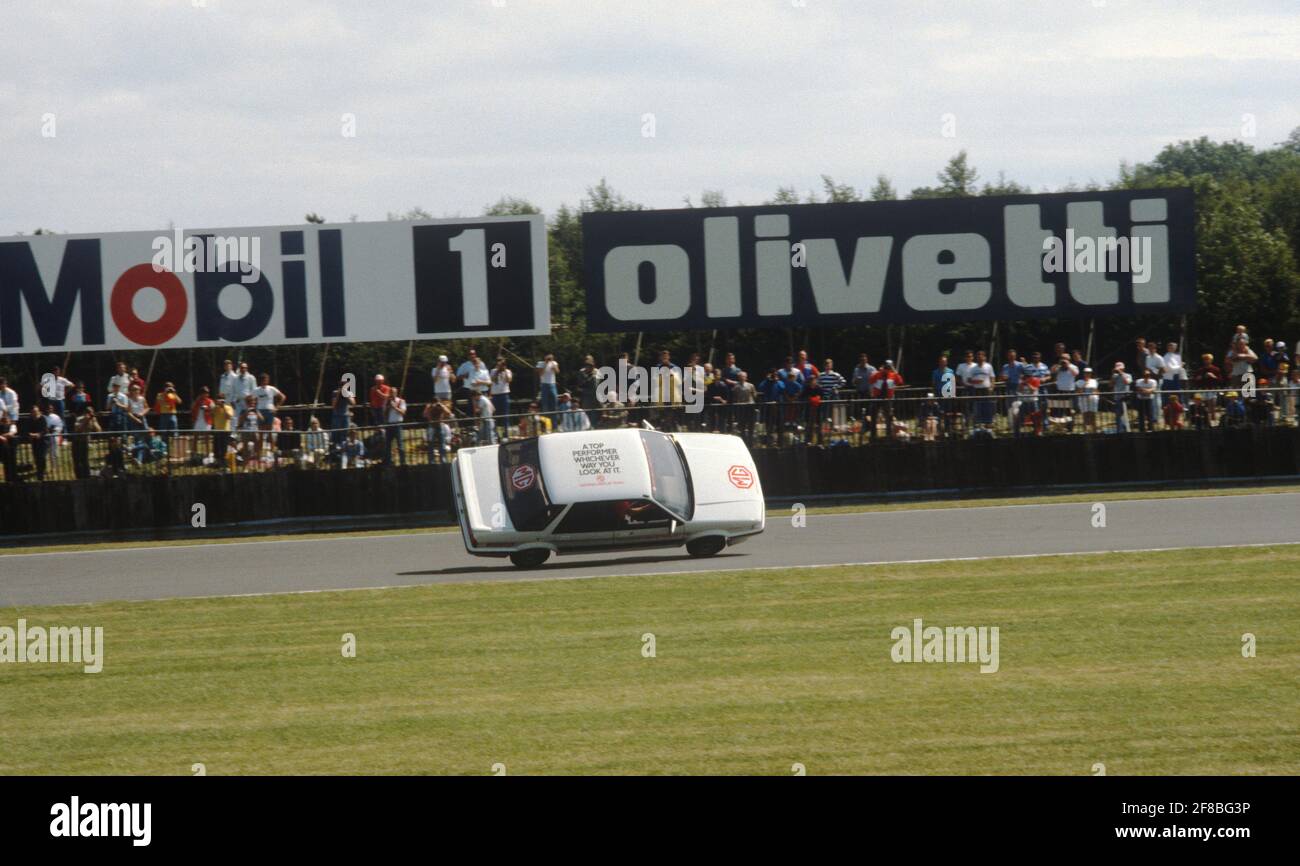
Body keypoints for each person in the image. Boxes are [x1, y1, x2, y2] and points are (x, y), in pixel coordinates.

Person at [867, 360, 903, 440]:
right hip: (877, 398)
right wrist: (879, 372)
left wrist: (895, 371)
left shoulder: (893, 375)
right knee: (874, 416)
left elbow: (900, 382)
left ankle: (889, 435)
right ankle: (873, 435)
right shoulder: (878, 374)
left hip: (887, 399)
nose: (887, 369)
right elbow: (870, 380)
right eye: (886, 367)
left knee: (888, 417)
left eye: (888, 368)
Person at [72, 408, 100, 479]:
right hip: (77, 442)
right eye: (90, 413)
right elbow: (77, 430)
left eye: (92, 413)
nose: (91, 415)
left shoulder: (93, 419)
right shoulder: (79, 419)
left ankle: (87, 477)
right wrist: (85, 421)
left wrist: (93, 422)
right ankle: (78, 477)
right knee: (77, 461)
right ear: (85, 413)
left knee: (85, 461)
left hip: (84, 442)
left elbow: (99, 430)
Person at [383, 386, 408, 465]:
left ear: (396, 393)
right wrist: (388, 408)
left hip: (398, 424)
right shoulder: (387, 402)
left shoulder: (401, 401)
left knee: (400, 445)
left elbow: (403, 412)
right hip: (389, 424)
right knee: (388, 445)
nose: (392, 394)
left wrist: (394, 407)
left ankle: (402, 462)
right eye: (390, 392)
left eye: (393, 393)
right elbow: (384, 414)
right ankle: (388, 462)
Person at [153, 382, 182, 446]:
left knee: (174, 431)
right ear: (164, 388)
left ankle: (175, 447)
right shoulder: (160, 395)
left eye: (171, 387)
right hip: (164, 415)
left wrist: (174, 393)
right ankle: (164, 447)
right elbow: (159, 402)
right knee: (163, 432)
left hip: (172, 414)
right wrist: (165, 393)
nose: (170, 388)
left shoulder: (173, 395)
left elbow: (179, 401)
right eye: (168, 387)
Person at [490, 357, 514, 433]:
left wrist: (504, 370)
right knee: (496, 415)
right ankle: (495, 433)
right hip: (495, 395)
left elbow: (509, 380)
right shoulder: (493, 371)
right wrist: (498, 370)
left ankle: (506, 433)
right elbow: (492, 379)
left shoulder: (508, 371)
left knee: (505, 415)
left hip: (504, 395)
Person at [329, 378, 355, 447]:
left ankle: (343, 448)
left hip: (345, 416)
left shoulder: (349, 393)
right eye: (343, 384)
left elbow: (353, 403)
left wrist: (347, 395)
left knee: (345, 433)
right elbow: (333, 405)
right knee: (336, 433)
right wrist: (338, 394)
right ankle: (335, 448)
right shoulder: (335, 392)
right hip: (337, 416)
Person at [210, 395, 234, 466]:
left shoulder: (228, 407)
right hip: (217, 431)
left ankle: (224, 463)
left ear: (224, 400)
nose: (220, 401)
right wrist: (215, 405)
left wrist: (223, 407)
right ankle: (217, 462)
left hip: (225, 431)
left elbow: (229, 417)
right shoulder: (215, 408)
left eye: (222, 399)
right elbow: (211, 414)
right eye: (219, 399)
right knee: (216, 448)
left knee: (224, 448)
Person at [1110, 362, 1133, 433]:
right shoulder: (1115, 376)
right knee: (1118, 415)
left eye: (1120, 369)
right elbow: (1111, 385)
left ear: (1123, 368)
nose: (1118, 370)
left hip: (1125, 398)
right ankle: (1120, 430)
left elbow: (1127, 382)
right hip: (1117, 397)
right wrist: (1112, 375)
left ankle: (1125, 429)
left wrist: (1121, 373)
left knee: (1123, 414)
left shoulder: (1128, 375)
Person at [1075, 368, 1100, 434]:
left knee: (1093, 416)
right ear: (1083, 373)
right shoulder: (1079, 381)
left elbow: (1096, 391)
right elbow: (1078, 392)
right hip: (1083, 401)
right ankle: (1085, 432)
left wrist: (1096, 394)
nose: (1087, 374)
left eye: (1089, 372)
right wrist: (1084, 385)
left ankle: (1094, 432)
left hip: (1093, 400)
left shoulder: (1094, 381)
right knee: (1085, 416)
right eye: (1086, 372)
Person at [536, 353, 560, 420]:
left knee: (554, 402)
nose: (549, 358)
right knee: (545, 404)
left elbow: (557, 371)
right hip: (544, 385)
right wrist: (546, 364)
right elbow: (541, 374)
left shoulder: (554, 363)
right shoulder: (540, 363)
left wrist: (553, 364)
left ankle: (554, 424)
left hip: (552, 384)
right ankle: (546, 423)